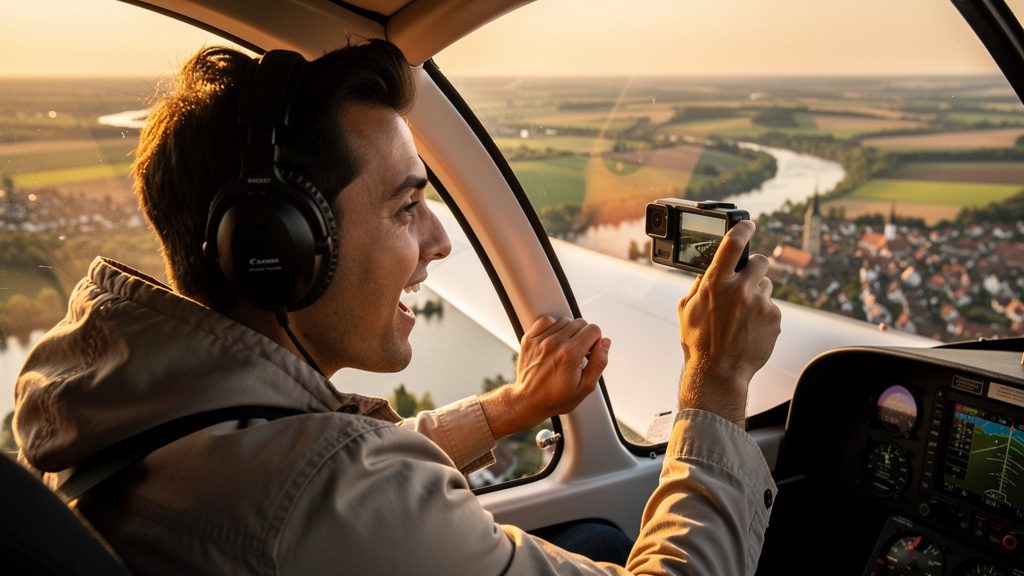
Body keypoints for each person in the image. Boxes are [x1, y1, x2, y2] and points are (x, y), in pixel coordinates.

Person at [14, 39, 781, 575]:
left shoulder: (131, 414)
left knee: (585, 530)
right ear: (279, 246)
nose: (440, 240)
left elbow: (307, 472)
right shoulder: (318, 497)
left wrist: (509, 409)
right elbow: (332, 492)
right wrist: (716, 382)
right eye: (405, 207)